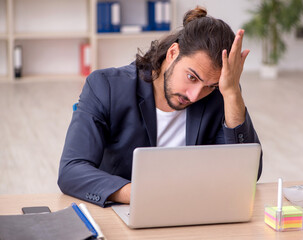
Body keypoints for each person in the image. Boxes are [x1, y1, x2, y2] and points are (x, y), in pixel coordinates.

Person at [58, 7, 262, 207]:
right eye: (191, 77)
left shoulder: (221, 94)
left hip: (192, 212)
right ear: (173, 53)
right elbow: (72, 170)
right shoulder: (106, 86)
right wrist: (144, 195)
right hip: (125, 210)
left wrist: (232, 92)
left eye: (210, 86)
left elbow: (246, 174)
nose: (195, 95)